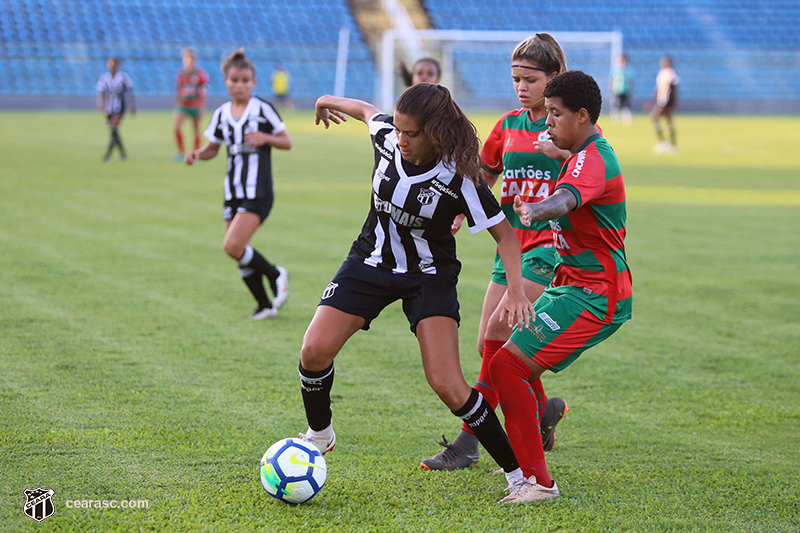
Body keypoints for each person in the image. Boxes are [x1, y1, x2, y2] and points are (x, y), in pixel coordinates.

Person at [298, 83, 536, 502]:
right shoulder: (388, 137)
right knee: (314, 351)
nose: (401, 139)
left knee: (448, 384)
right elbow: (366, 109)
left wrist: (515, 289)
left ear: (436, 132)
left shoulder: (460, 179)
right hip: (369, 263)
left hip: (428, 275)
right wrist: (325, 101)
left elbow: (506, 236)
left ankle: (519, 476)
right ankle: (320, 435)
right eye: (399, 130)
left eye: (411, 133)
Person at [421, 33, 571, 472]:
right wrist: (458, 211)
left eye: (530, 79)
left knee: (498, 341)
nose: (521, 87)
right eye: (515, 79)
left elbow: (590, 166)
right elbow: (483, 175)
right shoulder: (508, 125)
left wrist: (560, 152)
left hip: (549, 248)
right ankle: (544, 410)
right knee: (491, 341)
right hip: (511, 246)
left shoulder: (568, 125)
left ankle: (469, 442)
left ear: (554, 78)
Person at [497, 70, 632, 502]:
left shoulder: (592, 159)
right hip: (570, 283)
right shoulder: (580, 151)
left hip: (595, 294)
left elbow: (568, 199)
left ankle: (538, 483)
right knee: (508, 360)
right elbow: (570, 174)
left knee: (507, 366)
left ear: (582, 114)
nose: (547, 120)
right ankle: (539, 439)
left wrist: (536, 210)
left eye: (555, 113)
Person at [185, 49, 291, 320]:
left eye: (245, 80)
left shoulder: (262, 109)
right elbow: (213, 148)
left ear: (253, 82)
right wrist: (197, 154)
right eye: (234, 80)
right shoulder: (221, 113)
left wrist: (265, 138)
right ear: (226, 81)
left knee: (232, 245)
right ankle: (265, 305)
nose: (240, 85)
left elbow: (286, 141)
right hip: (232, 191)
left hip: (258, 191)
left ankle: (276, 273)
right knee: (240, 251)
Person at [96, 57, 135, 162]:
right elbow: (101, 92)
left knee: (114, 128)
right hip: (109, 108)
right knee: (114, 130)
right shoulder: (104, 77)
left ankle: (108, 155)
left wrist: (132, 107)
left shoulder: (123, 77)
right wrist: (101, 105)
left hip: (120, 106)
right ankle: (123, 153)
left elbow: (130, 92)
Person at [174, 48, 209, 162]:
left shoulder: (200, 74)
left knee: (196, 129)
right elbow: (179, 89)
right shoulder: (181, 73)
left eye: (191, 59)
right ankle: (181, 152)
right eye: (186, 58)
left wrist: (202, 106)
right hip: (183, 104)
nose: (189, 61)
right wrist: (178, 103)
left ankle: (196, 153)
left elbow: (204, 90)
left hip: (195, 104)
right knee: (177, 127)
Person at [647, 55, 679, 154]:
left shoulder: (671, 73)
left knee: (654, 118)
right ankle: (672, 145)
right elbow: (658, 88)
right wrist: (651, 100)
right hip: (660, 100)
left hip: (665, 101)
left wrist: (673, 102)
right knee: (668, 122)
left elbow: (673, 88)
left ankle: (664, 143)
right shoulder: (661, 73)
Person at [609, 53, 634, 124]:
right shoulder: (615, 70)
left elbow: (631, 81)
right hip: (616, 90)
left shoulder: (629, 70)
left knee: (625, 105)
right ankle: (615, 120)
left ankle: (626, 120)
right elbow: (612, 79)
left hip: (625, 90)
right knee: (615, 105)